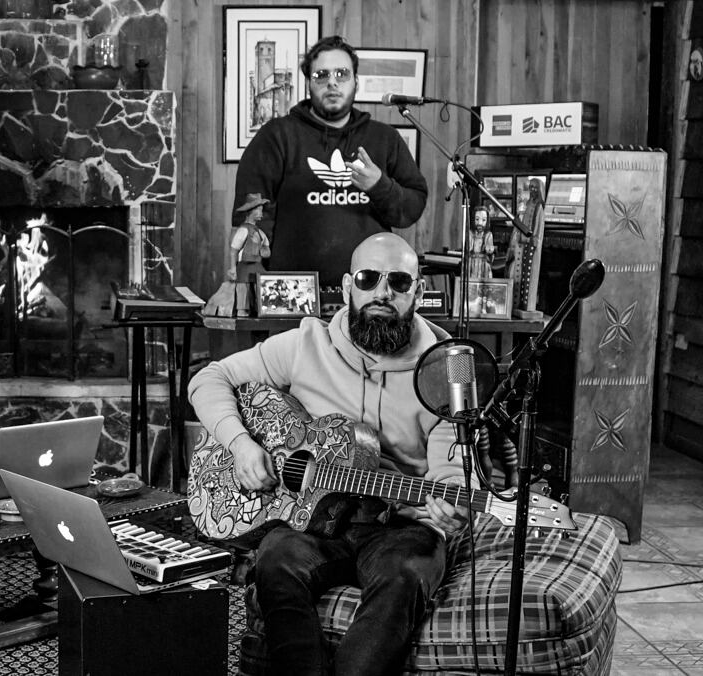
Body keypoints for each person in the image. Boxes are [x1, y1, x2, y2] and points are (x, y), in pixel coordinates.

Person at [188, 233, 469, 676]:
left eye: (398, 282)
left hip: (399, 524)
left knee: (406, 577)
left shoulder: (449, 367)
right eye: (368, 278)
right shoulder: (305, 343)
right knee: (275, 561)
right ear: (348, 286)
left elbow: (452, 468)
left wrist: (451, 503)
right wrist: (241, 444)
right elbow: (209, 378)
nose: (382, 292)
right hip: (312, 519)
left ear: (417, 291)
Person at [232, 35, 428, 289]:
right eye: (321, 75)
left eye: (342, 74)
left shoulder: (384, 138)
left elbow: (412, 208)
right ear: (308, 84)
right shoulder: (276, 136)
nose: (332, 82)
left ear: (356, 81)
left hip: (368, 291)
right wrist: (245, 280)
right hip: (294, 292)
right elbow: (252, 211)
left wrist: (380, 186)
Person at [466, 205, 494, 278]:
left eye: (483, 220)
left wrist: (489, 248)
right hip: (472, 263)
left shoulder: (488, 235)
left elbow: (489, 250)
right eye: (477, 219)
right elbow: (469, 248)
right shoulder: (470, 234)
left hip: (483, 264)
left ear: (487, 221)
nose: (480, 223)